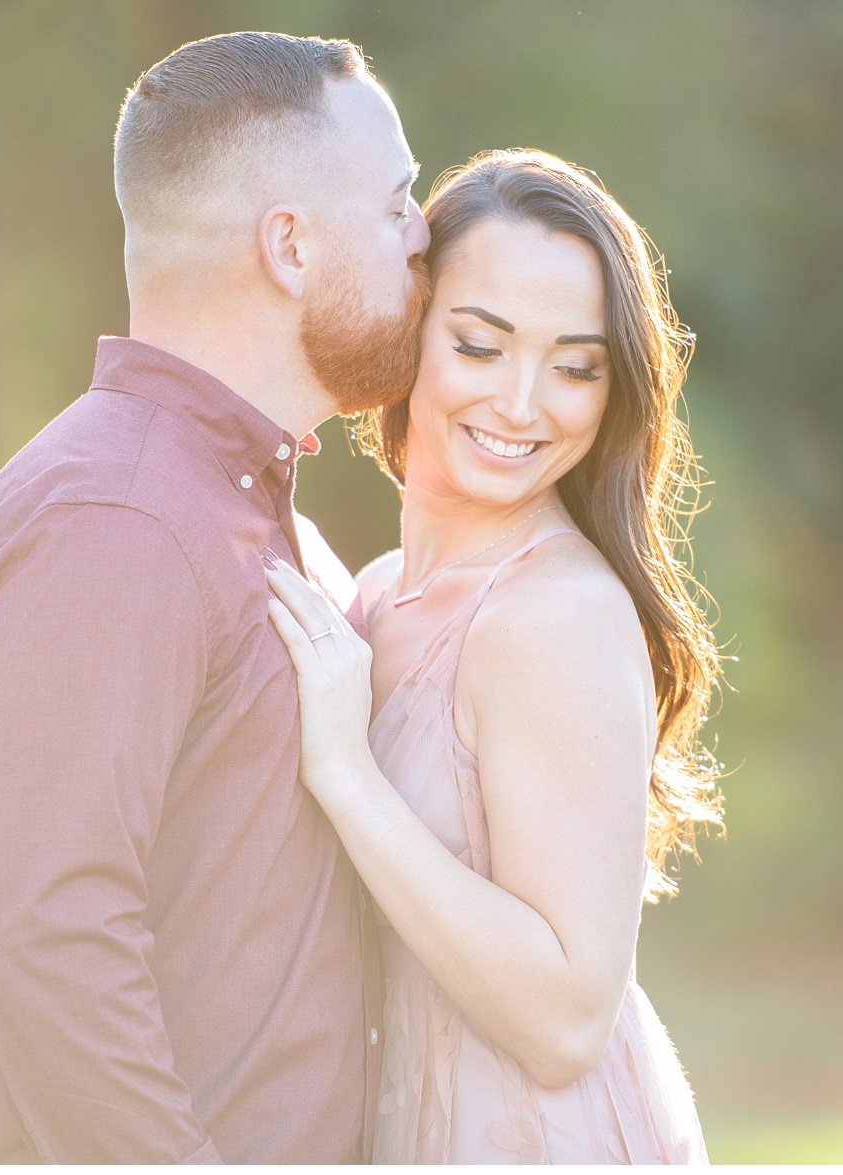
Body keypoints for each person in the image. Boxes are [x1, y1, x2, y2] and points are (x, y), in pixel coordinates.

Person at [0, 32, 431, 1162]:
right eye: (397, 204)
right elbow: (43, 935)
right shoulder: (118, 526)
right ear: (289, 245)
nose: (424, 235)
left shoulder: (255, 514)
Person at [263, 149, 722, 1164]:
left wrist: (347, 775)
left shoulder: (553, 614)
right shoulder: (382, 593)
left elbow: (567, 1022)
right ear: (409, 330)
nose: (523, 404)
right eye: (481, 345)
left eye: (574, 366)